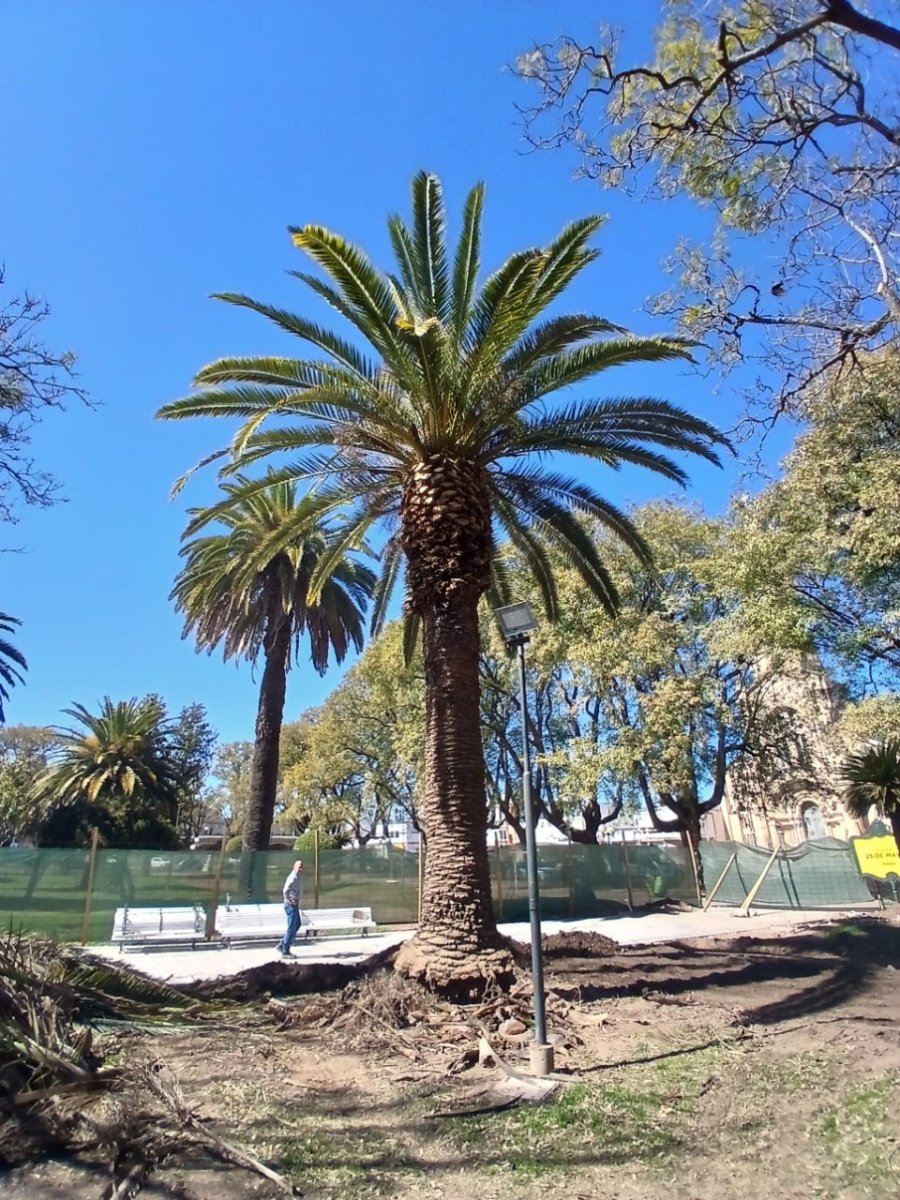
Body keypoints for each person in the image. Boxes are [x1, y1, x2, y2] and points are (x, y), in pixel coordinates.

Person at [279, 859, 304, 958]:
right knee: (291, 927)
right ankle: (285, 951)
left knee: (297, 924)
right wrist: (289, 900)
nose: (301, 869)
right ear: (294, 867)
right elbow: (285, 890)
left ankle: (282, 944)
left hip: (295, 904)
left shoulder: (298, 877)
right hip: (290, 905)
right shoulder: (293, 877)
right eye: (299, 867)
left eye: (302, 867)